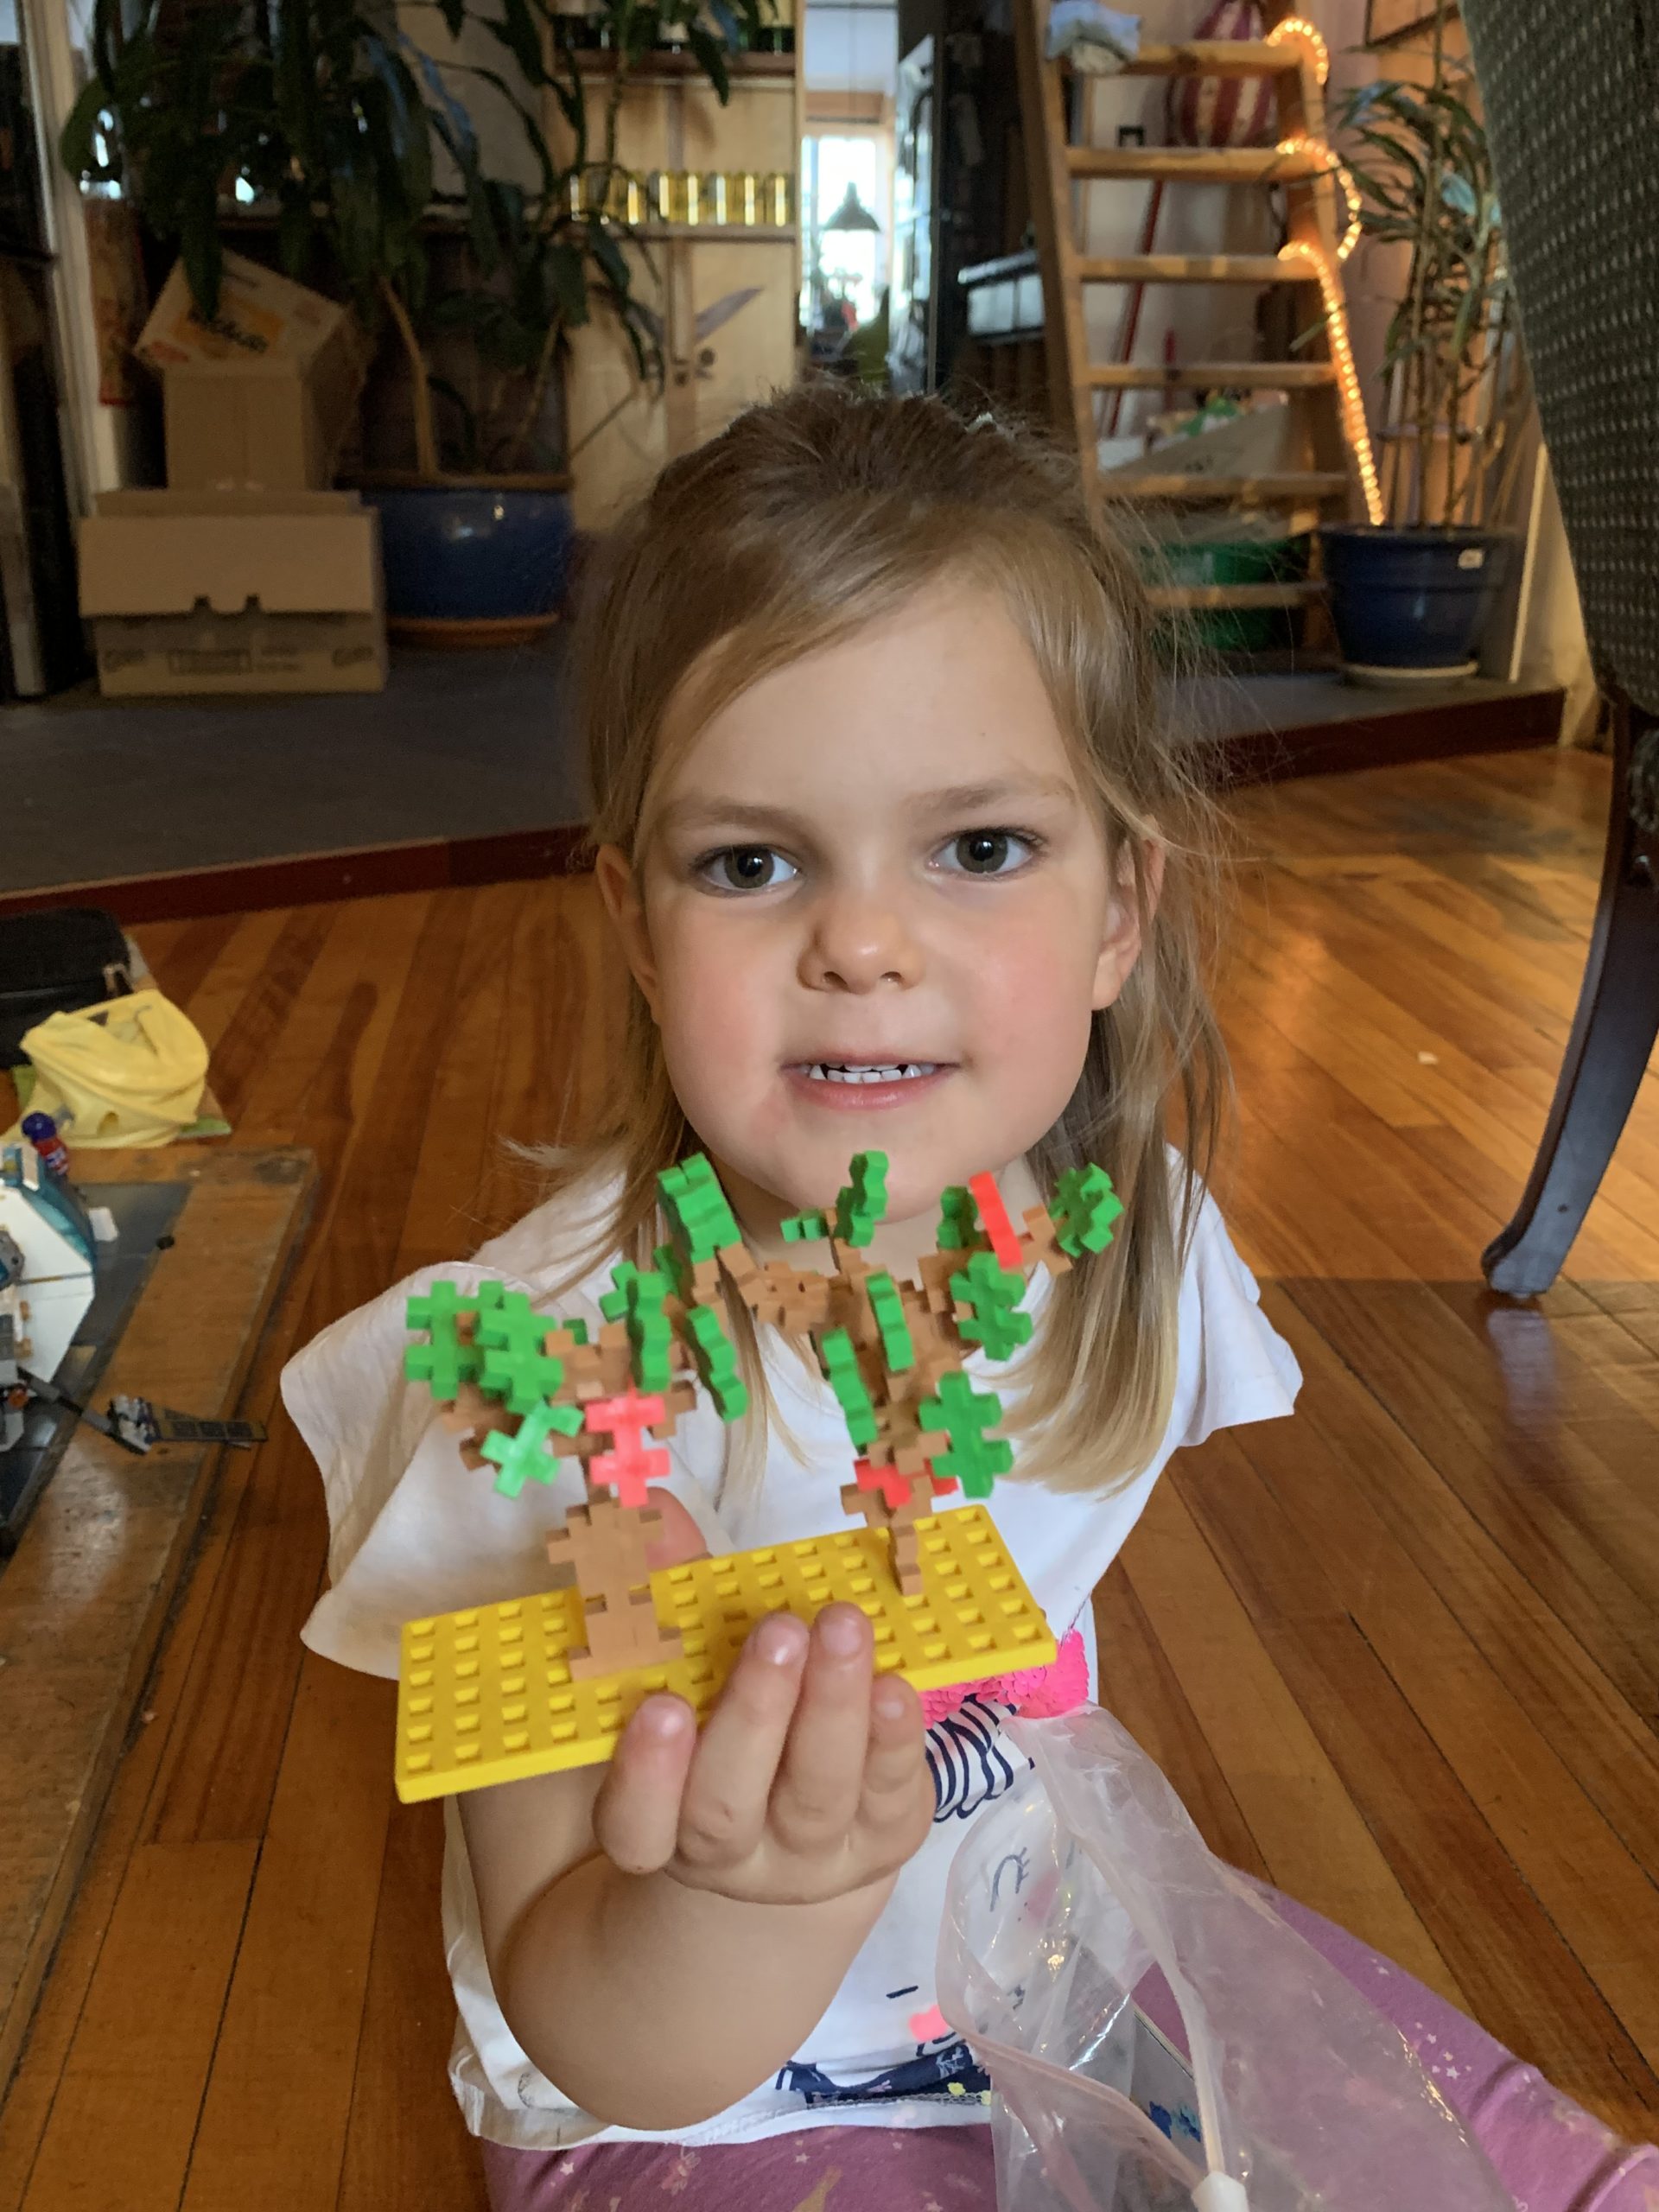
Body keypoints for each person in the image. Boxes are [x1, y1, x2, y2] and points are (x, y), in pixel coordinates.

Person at [283, 386, 1656, 2212]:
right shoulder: (534, 1383)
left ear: (1121, 912)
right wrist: (746, 1893)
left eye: (982, 847)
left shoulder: (1125, 1245)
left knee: (1494, 2158)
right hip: (700, 2102)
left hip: (1048, 1945)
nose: (863, 943)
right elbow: (587, 2018)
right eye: (752, 861)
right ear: (635, 925)